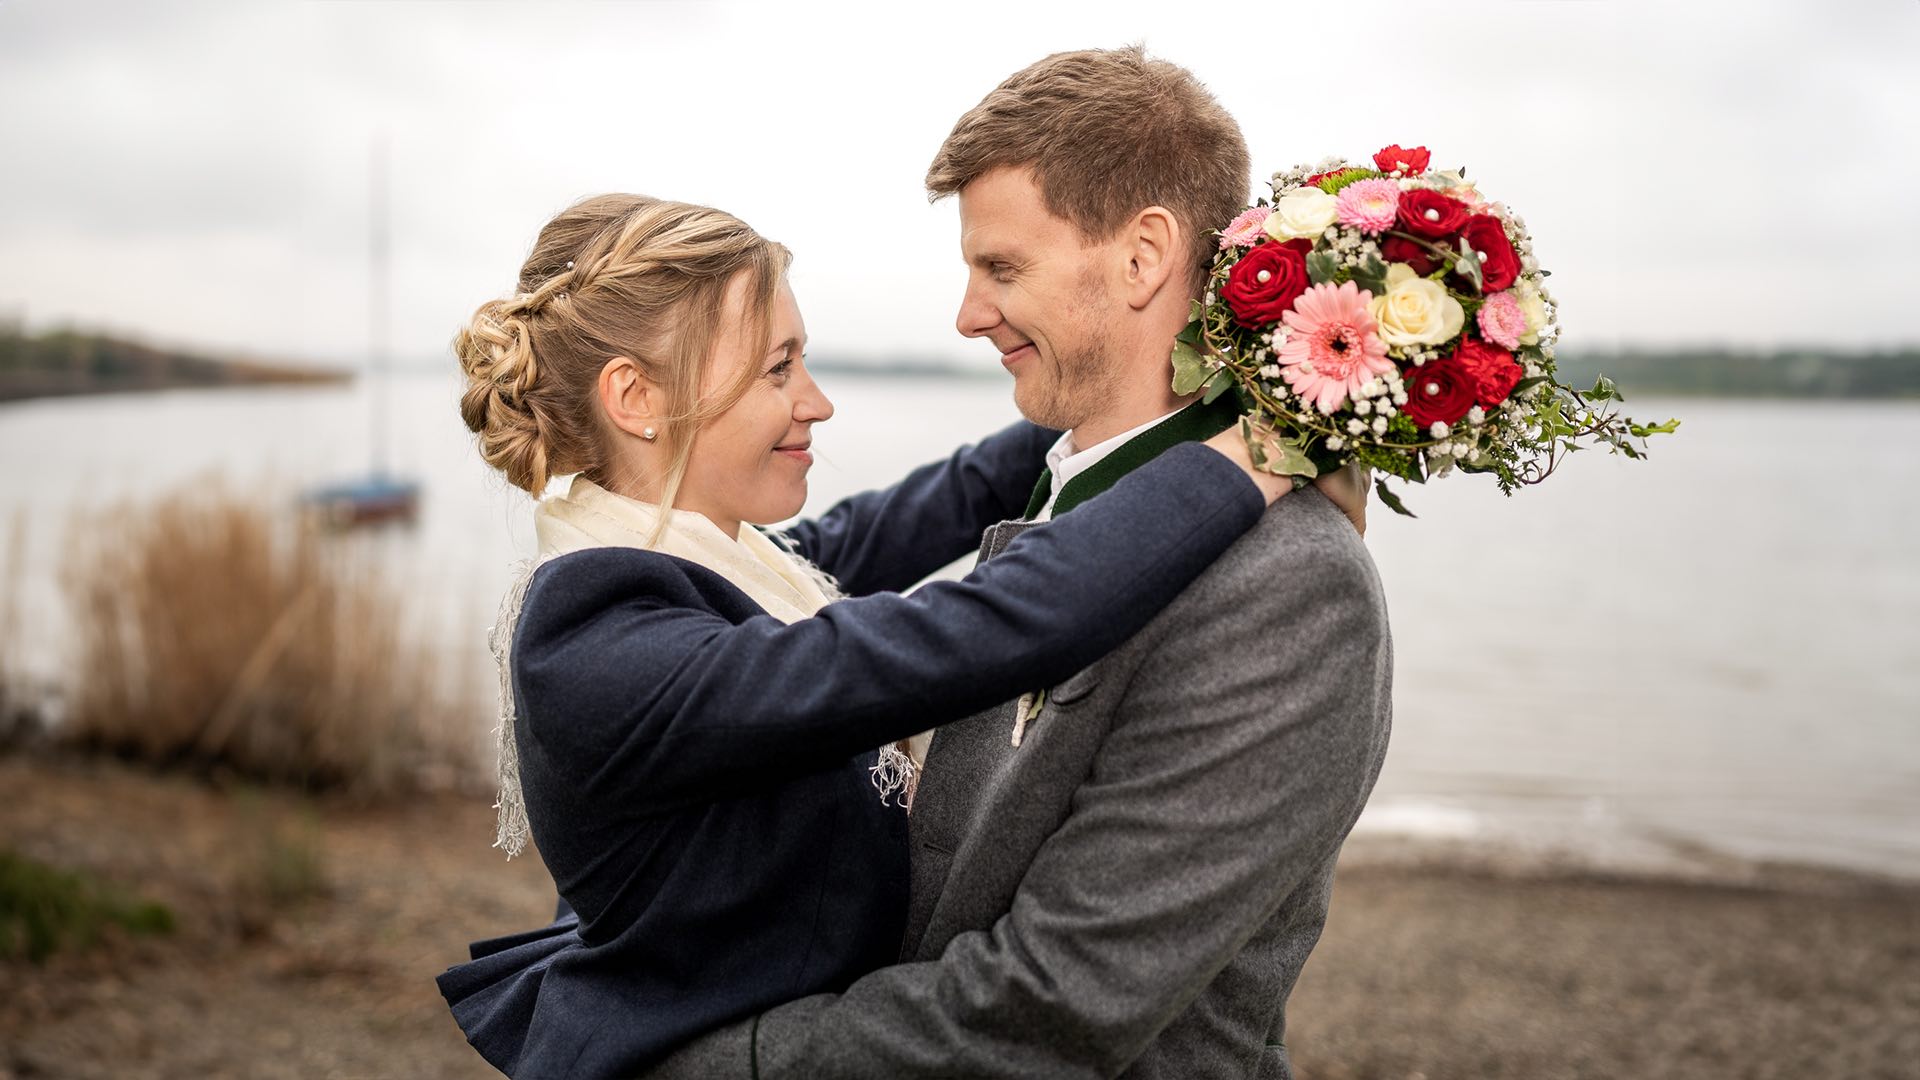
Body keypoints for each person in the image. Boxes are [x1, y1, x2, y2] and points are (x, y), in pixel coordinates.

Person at [434, 193, 1362, 1078]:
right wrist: (1250, 454)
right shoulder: (603, 645)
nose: (817, 403)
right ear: (635, 398)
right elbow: (979, 629)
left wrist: (1140, 379)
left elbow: (937, 505)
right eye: (776, 368)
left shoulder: (736, 570)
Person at [643, 46, 1394, 1079]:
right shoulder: (1059, 489)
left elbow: (1052, 1008)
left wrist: (714, 1062)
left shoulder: (1290, 586)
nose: (967, 313)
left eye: (1001, 269)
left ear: (1142, 258)